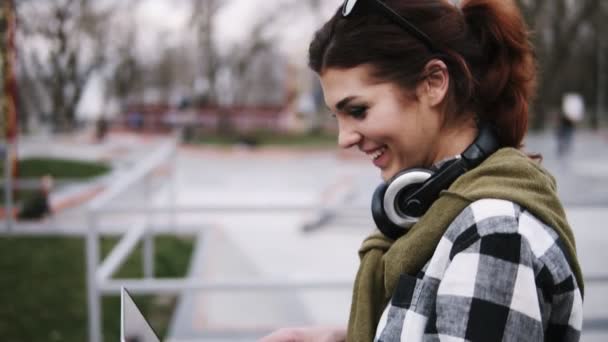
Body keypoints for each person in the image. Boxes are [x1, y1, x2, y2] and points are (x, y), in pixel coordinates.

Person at [260, 0, 584, 341]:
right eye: (336, 116)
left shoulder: (493, 236)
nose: (344, 138)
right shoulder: (447, 217)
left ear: (433, 82)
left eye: (358, 110)